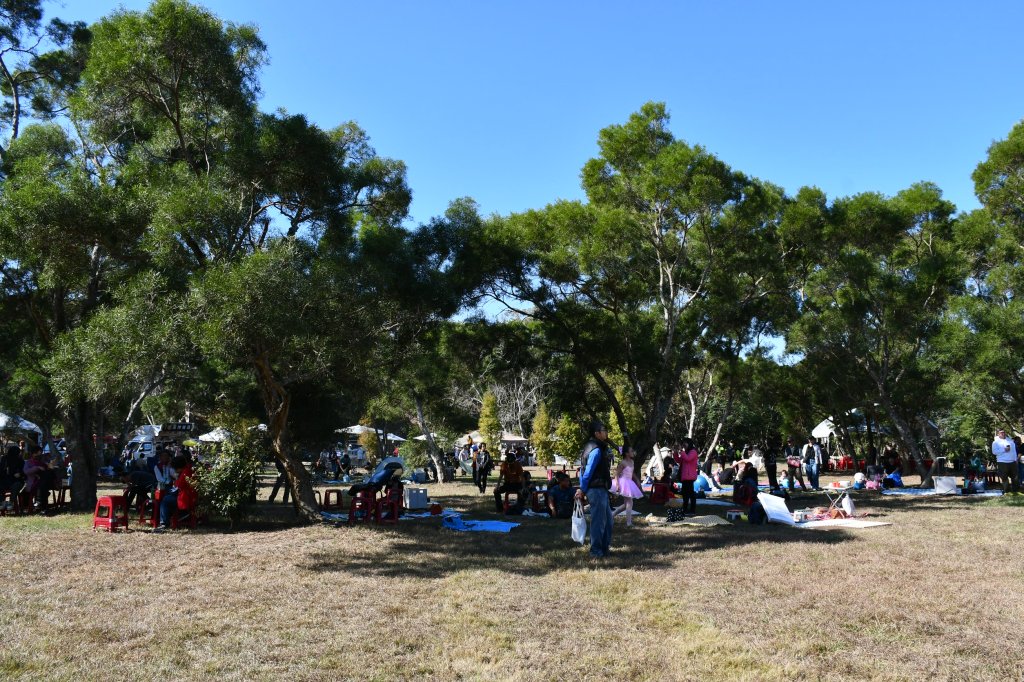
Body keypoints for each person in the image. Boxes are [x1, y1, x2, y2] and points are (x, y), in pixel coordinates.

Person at [576, 421, 613, 558]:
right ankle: (596, 551)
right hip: (596, 490)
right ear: (597, 433)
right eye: (604, 430)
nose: (606, 432)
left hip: (601, 489)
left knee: (608, 521)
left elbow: (583, 471)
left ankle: (604, 548)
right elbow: (587, 472)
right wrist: (582, 489)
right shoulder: (595, 450)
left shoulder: (597, 447)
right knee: (599, 522)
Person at [158, 455, 196, 531]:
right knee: (168, 498)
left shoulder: (185, 472)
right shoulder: (189, 469)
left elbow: (178, 485)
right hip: (191, 496)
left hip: (186, 498)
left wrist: (176, 480)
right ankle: (177, 517)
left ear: (178, 467)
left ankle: (164, 523)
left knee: (165, 500)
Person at [611, 446, 643, 526]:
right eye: (631, 451)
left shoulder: (632, 461)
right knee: (630, 501)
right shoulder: (623, 462)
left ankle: (612, 515)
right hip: (623, 482)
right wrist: (617, 484)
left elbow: (632, 473)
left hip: (629, 482)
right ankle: (629, 522)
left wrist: (637, 480)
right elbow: (617, 473)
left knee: (626, 504)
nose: (633, 452)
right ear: (627, 453)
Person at [675, 438, 700, 516]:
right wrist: (675, 452)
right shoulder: (685, 452)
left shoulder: (693, 452)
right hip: (685, 476)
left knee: (691, 494)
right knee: (685, 494)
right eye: (683, 443)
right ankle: (685, 509)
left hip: (690, 477)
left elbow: (688, 459)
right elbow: (679, 460)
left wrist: (681, 451)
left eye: (685, 443)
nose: (684, 445)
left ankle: (692, 510)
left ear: (689, 443)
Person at [992, 428, 1019, 494]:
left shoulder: (1010, 440)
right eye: (1001, 433)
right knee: (1004, 478)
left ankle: (1015, 491)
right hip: (1002, 462)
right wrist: (1004, 450)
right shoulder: (995, 442)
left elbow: (1014, 451)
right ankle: (1007, 492)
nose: (1003, 433)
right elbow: (994, 452)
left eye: (1003, 432)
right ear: (998, 434)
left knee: (1015, 477)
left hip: (1012, 461)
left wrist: (1015, 459)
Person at [1, 444, 26, 511]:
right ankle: (2, 502)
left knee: (16, 486)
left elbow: (24, 471)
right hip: (6, 480)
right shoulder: (4, 459)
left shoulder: (20, 460)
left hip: (17, 481)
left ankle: (11, 502)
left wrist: (20, 474)